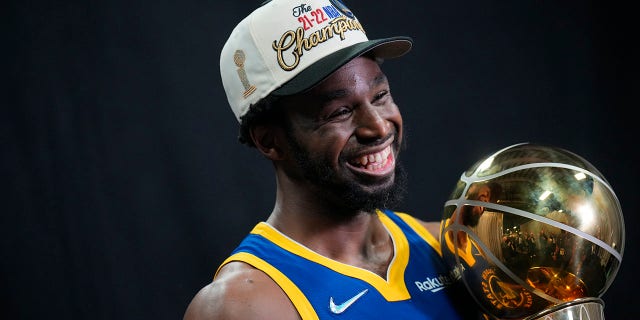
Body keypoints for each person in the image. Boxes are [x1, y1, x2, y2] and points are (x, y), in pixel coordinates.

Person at [184, 0, 482, 318]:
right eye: (339, 112)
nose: (379, 126)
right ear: (270, 141)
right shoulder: (244, 305)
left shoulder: (451, 247)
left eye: (380, 96)